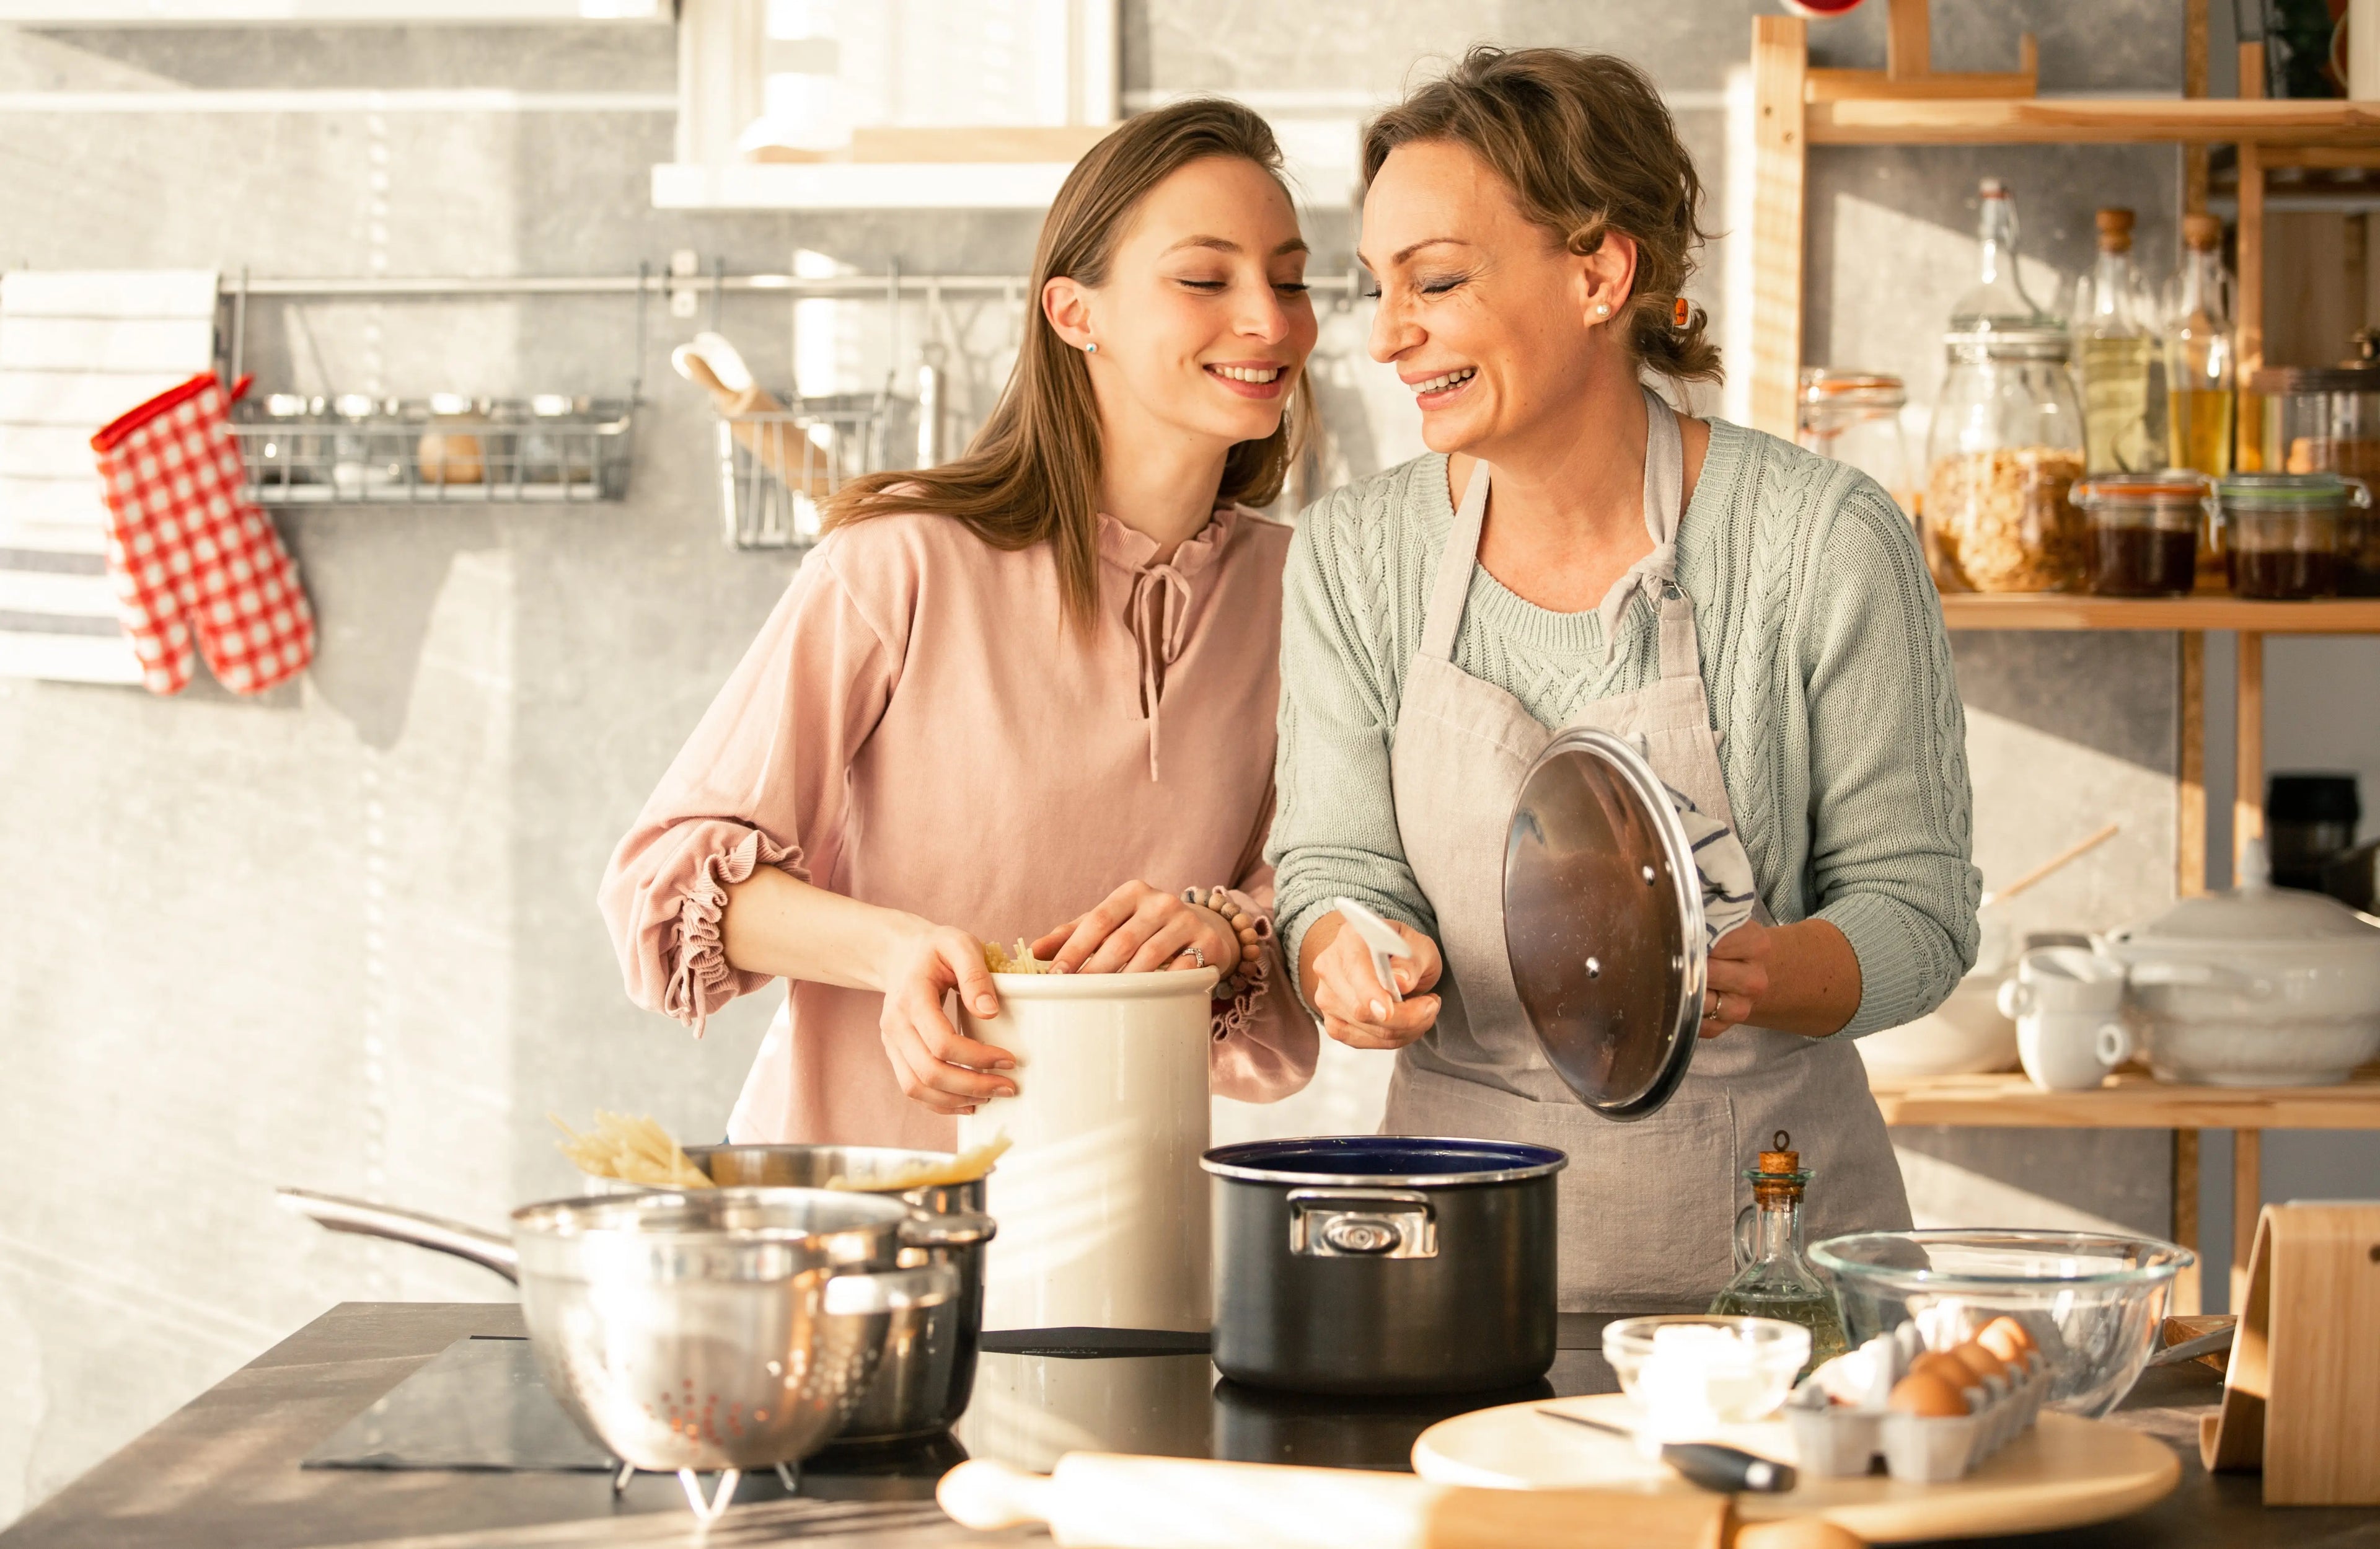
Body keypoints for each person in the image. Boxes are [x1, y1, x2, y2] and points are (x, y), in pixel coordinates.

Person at [1271, 48, 1981, 1308]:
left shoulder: (1822, 539)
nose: (1385, 335)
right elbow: (1334, 864)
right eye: (1376, 285)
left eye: (1435, 280)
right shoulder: (1353, 552)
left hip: (1780, 1285)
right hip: (1453, 1278)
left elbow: (1919, 912)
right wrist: (1346, 954)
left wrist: (1769, 971)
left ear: (1600, 272)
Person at [600, 99, 1320, 1145]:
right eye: (1206, 279)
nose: (1271, 318)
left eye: (1292, 279)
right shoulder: (900, 560)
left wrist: (1222, 932)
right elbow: (661, 894)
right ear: (1075, 313)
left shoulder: (1303, 595)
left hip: (1125, 1235)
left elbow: (1310, 912)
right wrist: (894, 951)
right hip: (859, 1224)